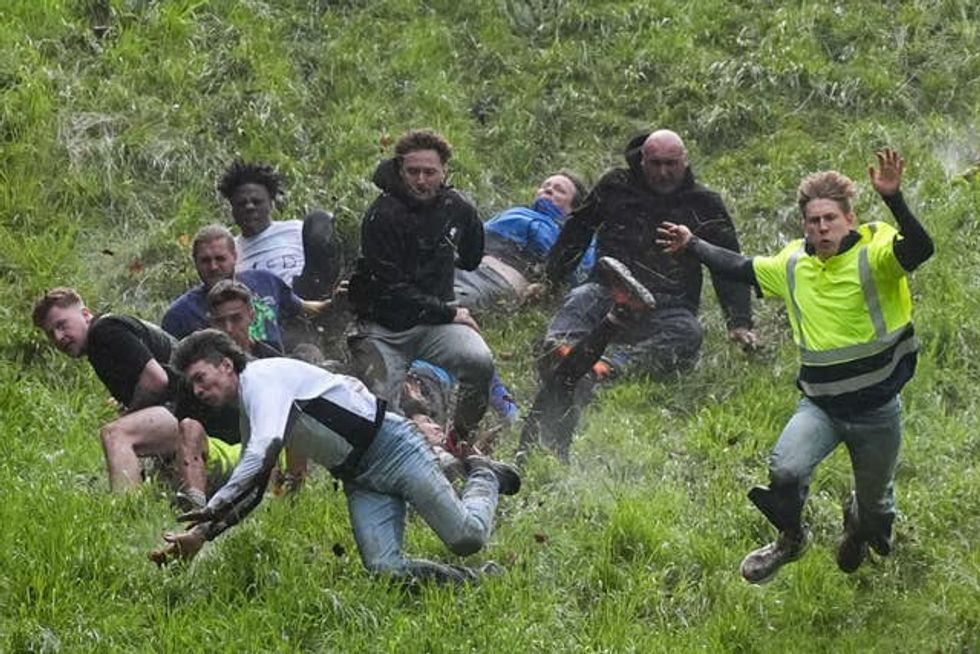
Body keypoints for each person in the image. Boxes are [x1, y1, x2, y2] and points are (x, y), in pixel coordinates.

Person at [657, 148, 934, 582]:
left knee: (878, 519)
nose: (822, 228)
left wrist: (895, 199)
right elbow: (742, 268)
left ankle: (858, 528)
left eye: (831, 219)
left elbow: (920, 247)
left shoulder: (875, 252)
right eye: (813, 221)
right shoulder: (792, 264)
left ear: (850, 220)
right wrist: (693, 246)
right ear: (804, 224)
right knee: (785, 470)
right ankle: (789, 539)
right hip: (821, 407)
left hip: (877, 411)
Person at [150, 330, 521, 585]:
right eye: (192, 385)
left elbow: (264, 448)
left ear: (226, 365)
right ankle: (476, 579)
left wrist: (212, 504)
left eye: (200, 378)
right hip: (358, 477)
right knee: (384, 569)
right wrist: (201, 535)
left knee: (466, 537)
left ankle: (484, 476)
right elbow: (255, 486)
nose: (197, 391)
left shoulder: (264, 379)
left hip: (394, 448)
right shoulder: (252, 408)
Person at [519, 129, 756, 460]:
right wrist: (548, 278)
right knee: (578, 300)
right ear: (642, 160)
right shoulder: (615, 186)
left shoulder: (704, 204)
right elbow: (578, 229)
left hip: (668, 305)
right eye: (655, 163)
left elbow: (726, 261)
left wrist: (739, 322)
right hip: (607, 289)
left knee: (688, 334)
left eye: (671, 164)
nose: (663, 172)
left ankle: (606, 366)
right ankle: (560, 351)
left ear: (685, 162)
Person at [347, 129, 495, 451]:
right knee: (381, 414)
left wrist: (467, 221)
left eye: (430, 172)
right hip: (384, 328)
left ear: (444, 173)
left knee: (480, 361)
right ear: (401, 171)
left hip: (434, 324)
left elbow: (471, 260)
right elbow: (392, 288)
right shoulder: (381, 214)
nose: (421, 180)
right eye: (413, 172)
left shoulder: (456, 206)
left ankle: (461, 439)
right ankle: (403, 459)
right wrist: (453, 312)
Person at [31, 288, 236, 499]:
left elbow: (157, 380)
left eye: (62, 325)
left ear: (85, 314)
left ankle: (125, 513)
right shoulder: (102, 339)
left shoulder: (104, 331)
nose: (58, 337)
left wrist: (131, 411)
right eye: (50, 333)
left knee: (116, 434)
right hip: (195, 417)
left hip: (196, 418)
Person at [161, 224, 328, 350]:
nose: (213, 267)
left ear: (234, 257)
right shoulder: (179, 315)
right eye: (205, 261)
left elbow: (304, 307)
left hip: (278, 369)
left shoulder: (266, 281)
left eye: (220, 259)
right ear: (195, 263)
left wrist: (335, 302)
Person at [453, 171, 595, 312]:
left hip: (495, 282)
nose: (549, 189)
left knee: (450, 304)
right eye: (546, 185)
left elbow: (577, 275)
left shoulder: (574, 240)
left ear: (574, 209)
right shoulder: (517, 212)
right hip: (461, 267)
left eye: (560, 190)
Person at [218, 159, 343, 300]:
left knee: (318, 219)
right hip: (263, 307)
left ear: (271, 204)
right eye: (242, 204)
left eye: (257, 202)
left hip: (306, 290)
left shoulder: (296, 229)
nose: (250, 207)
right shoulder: (228, 250)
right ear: (232, 209)